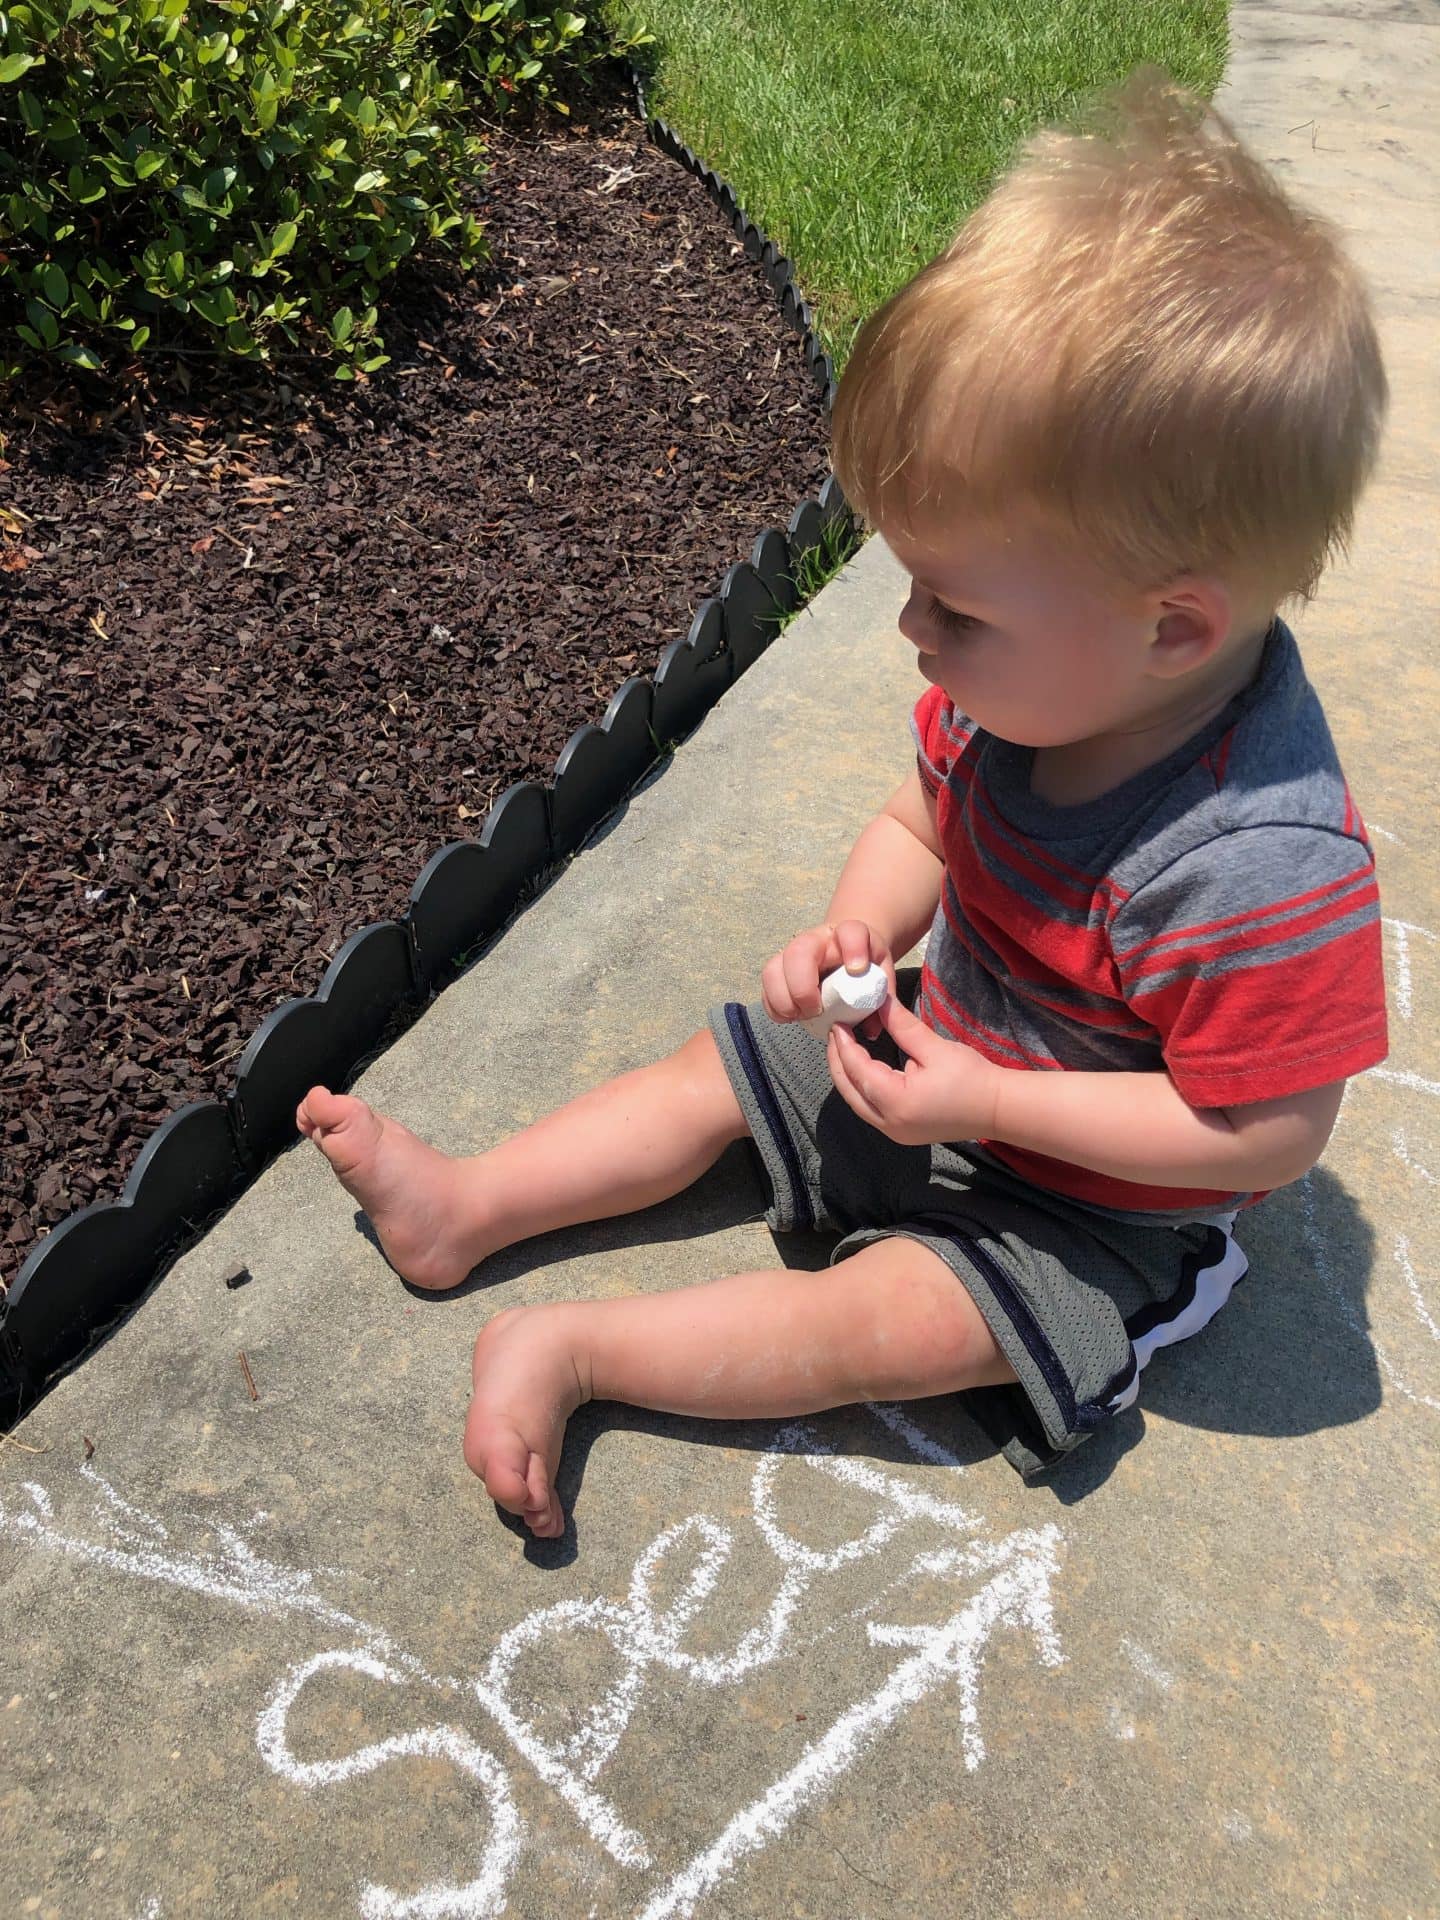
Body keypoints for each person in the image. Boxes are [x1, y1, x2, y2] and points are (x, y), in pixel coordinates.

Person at [297, 68, 1389, 1537]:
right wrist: (856, 931)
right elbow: (919, 820)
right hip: (945, 1052)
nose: (914, 634)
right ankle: (473, 1204)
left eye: (956, 603)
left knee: (898, 1321)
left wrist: (989, 1101)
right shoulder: (1038, 688)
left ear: (1172, 629)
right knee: (723, 1068)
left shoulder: (1257, 862)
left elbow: (1263, 1136)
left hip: (1096, 1208)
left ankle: (576, 1351)